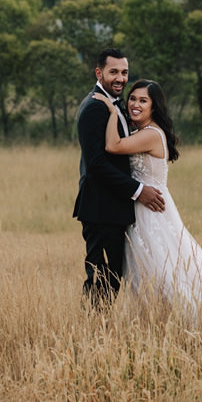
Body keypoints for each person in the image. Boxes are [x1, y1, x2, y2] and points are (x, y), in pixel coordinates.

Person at [93, 78, 202, 325]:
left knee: (164, 269)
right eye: (133, 98)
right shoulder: (142, 132)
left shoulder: (150, 134)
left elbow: (112, 145)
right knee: (150, 269)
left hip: (152, 211)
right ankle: (154, 322)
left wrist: (111, 112)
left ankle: (188, 321)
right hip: (141, 208)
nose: (135, 104)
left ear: (154, 107)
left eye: (143, 100)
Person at [73, 50, 166, 306]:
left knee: (112, 277)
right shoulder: (95, 107)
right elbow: (96, 164)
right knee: (102, 278)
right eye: (113, 72)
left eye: (124, 72)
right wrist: (138, 190)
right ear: (99, 73)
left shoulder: (117, 105)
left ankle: (98, 331)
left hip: (115, 209)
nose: (120, 78)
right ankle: (93, 333)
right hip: (101, 208)